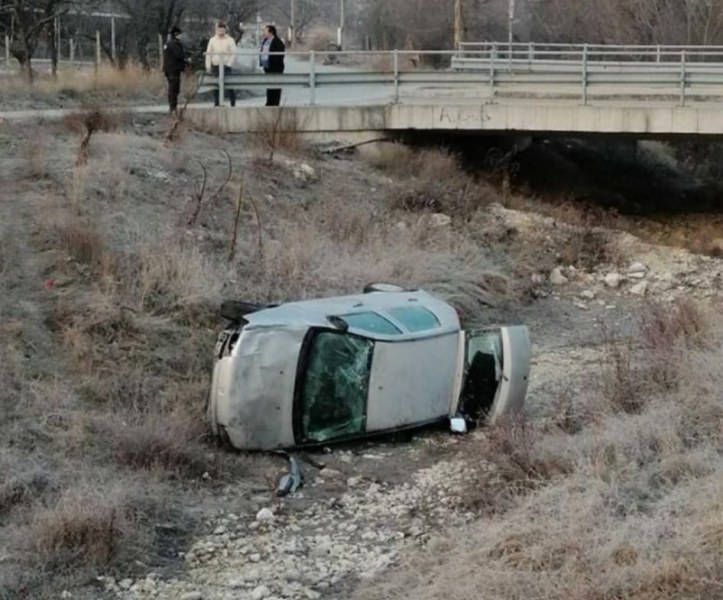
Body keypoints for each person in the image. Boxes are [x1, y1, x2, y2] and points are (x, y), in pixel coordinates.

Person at [205, 21, 238, 107]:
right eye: (219, 30)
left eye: (222, 30)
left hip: (226, 66)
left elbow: (233, 53)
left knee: (230, 85)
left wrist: (229, 64)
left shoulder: (230, 40)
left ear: (225, 30)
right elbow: (209, 54)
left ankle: (233, 103)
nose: (221, 32)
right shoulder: (212, 40)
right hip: (215, 66)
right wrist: (208, 66)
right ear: (216, 30)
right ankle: (216, 103)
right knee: (216, 86)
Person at [259, 24, 285, 106]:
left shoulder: (278, 42)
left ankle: (275, 103)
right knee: (269, 86)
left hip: (276, 68)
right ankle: (269, 102)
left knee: (276, 86)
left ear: (271, 32)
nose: (264, 33)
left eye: (265, 31)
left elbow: (280, 55)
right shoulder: (265, 41)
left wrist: (273, 62)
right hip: (267, 68)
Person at [163, 26, 187, 114]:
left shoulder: (169, 44)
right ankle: (173, 107)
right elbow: (179, 56)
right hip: (173, 69)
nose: (181, 36)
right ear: (176, 34)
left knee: (173, 88)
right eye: (180, 34)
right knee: (174, 89)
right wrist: (186, 60)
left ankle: (173, 106)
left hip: (170, 69)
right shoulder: (174, 45)